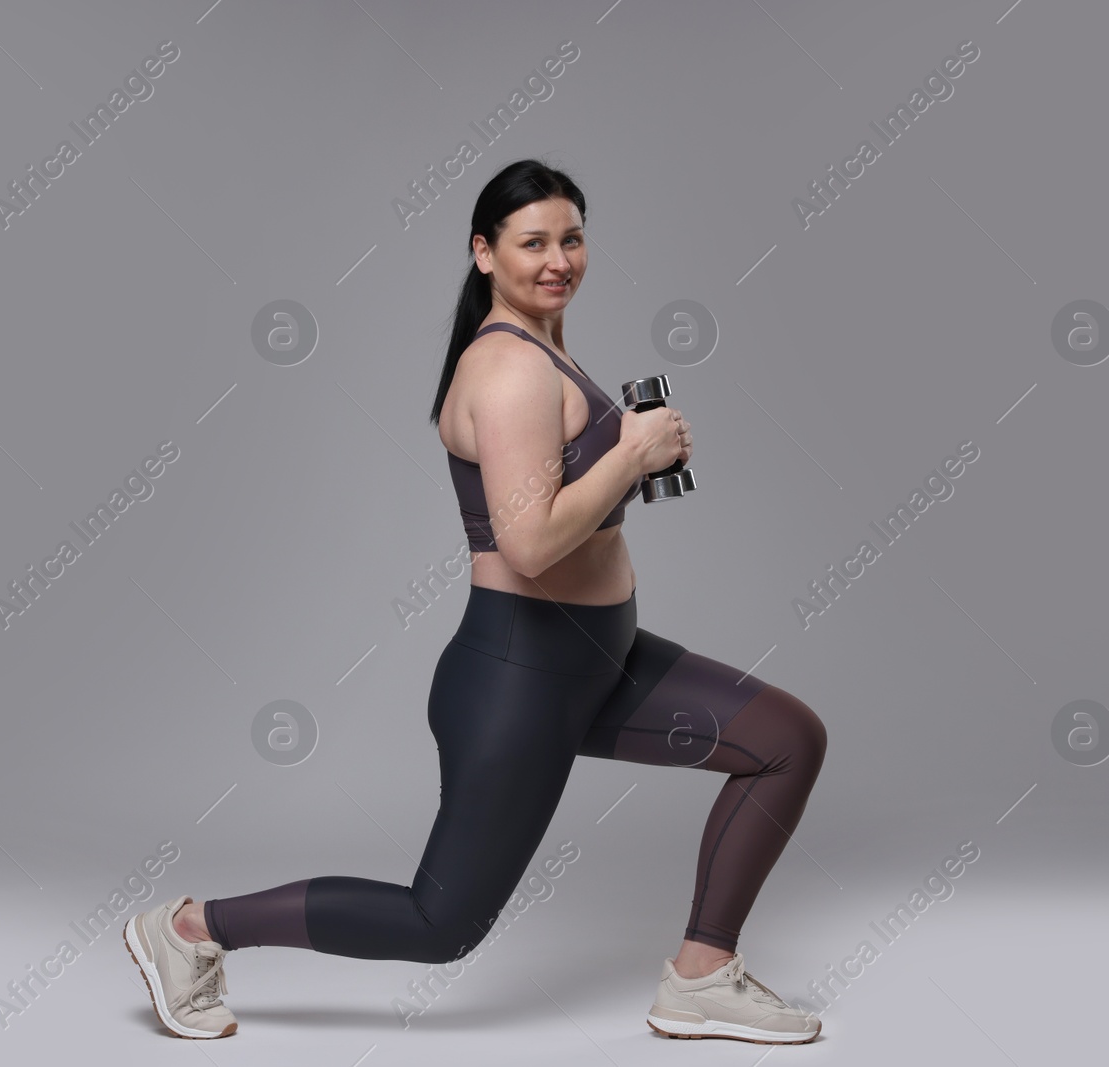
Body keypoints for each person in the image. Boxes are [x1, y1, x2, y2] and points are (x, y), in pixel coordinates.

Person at [124, 159, 828, 1045]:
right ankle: (191, 927)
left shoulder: (545, 350)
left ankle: (701, 976)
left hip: (596, 659)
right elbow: (528, 544)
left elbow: (572, 502)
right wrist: (634, 452)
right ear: (483, 252)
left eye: (570, 238)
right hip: (520, 674)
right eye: (531, 242)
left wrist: (633, 458)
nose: (557, 259)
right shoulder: (506, 369)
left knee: (785, 741)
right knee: (439, 923)